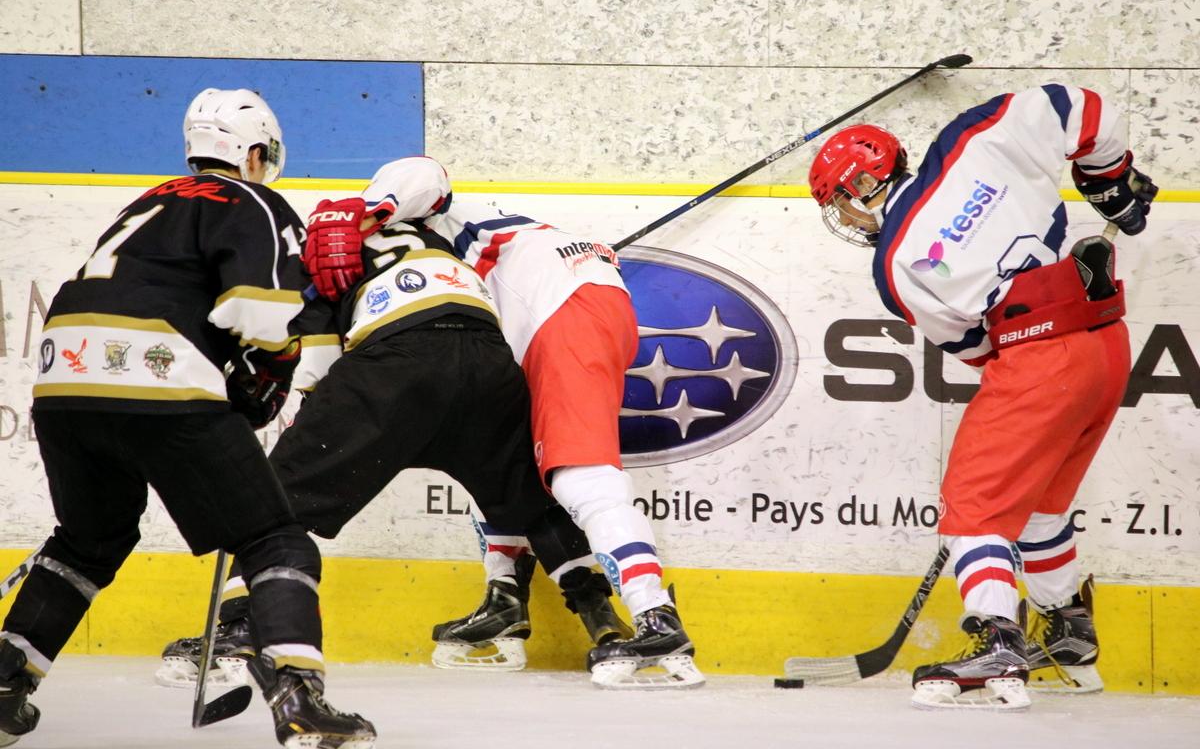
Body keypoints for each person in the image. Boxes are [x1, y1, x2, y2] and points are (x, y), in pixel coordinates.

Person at [0, 88, 375, 748]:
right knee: (275, 540)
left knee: (86, 542)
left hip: (63, 384)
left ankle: (5, 684)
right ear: (253, 153)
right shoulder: (252, 201)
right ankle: (299, 697)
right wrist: (267, 374)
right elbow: (259, 312)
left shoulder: (148, 202)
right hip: (159, 377)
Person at [156, 188, 631, 685]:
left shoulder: (321, 253)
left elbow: (318, 364)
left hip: (394, 364)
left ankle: (237, 631)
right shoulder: (436, 237)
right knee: (534, 505)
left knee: (273, 504)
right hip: (488, 361)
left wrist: (308, 425)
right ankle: (602, 621)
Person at [807, 83, 1157, 710]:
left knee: (974, 507)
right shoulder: (972, 137)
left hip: (1039, 358)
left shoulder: (895, 266)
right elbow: (1083, 107)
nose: (846, 218)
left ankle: (997, 638)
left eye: (840, 201)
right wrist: (1108, 180)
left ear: (861, 186)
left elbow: (977, 349)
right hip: (1106, 344)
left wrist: (1031, 362)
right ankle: (1069, 634)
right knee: (1042, 503)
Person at [305, 157, 705, 689]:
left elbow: (424, 172)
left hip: (558, 305)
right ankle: (505, 595)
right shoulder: (451, 258)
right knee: (492, 452)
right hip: (558, 308)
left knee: (580, 475)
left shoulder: (420, 220)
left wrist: (362, 211)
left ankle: (656, 616)